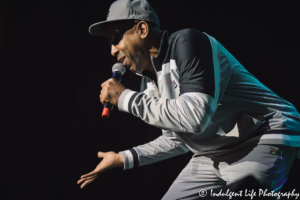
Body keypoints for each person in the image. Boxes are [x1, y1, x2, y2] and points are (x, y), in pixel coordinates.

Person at [77, 0, 300, 199]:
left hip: (262, 135)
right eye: (109, 42)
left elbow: (195, 118)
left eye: (116, 37)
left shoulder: (188, 43)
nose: (112, 50)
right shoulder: (149, 77)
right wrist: (122, 158)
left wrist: (125, 98)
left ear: (142, 29)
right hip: (212, 152)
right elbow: (177, 139)